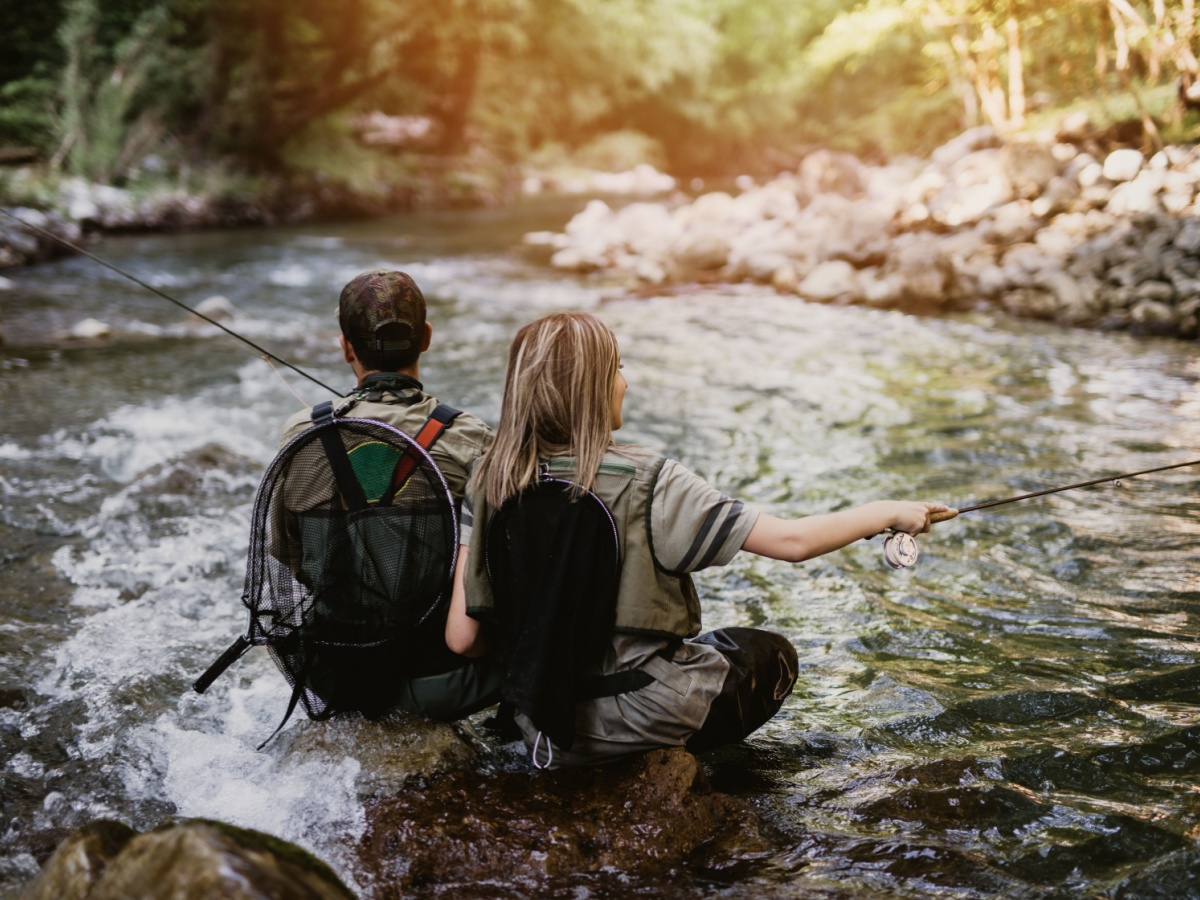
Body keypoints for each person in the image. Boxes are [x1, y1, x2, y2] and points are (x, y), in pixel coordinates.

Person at [445, 311, 951, 767]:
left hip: (539, 729)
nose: (626, 383)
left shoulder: (491, 480)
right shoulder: (651, 480)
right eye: (617, 370)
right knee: (769, 652)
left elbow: (463, 639)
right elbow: (792, 542)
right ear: (591, 389)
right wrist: (886, 512)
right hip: (639, 719)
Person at [276, 268, 502, 722]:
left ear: (345, 347)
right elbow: (494, 574)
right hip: (441, 678)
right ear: (427, 338)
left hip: (334, 672)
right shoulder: (473, 439)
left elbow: (289, 555)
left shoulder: (301, 435)